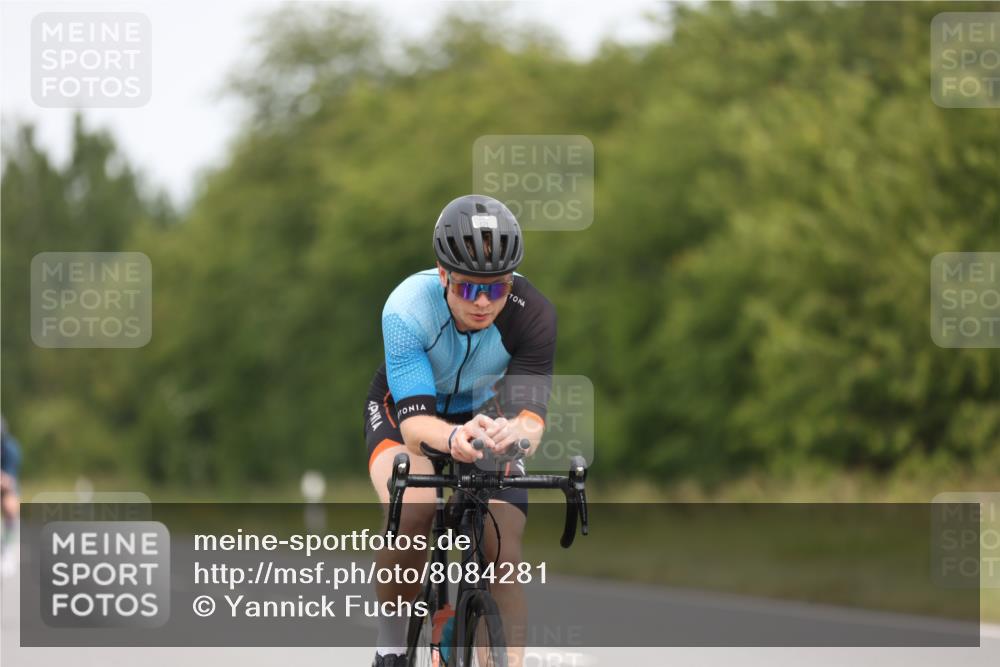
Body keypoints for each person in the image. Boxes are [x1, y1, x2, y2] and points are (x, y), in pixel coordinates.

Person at [365, 194, 556, 667]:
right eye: (470, 289)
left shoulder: (531, 312)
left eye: (497, 288)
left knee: (503, 547)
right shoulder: (407, 308)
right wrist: (452, 439)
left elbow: (531, 418)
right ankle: (390, 647)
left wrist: (517, 437)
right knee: (413, 510)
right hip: (405, 412)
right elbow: (414, 428)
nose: (485, 303)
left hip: (486, 415)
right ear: (443, 273)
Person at [1, 416, 22, 576]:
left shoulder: (11, 449)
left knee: (10, 504)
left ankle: (8, 548)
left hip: (5, 488)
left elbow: (9, 481)